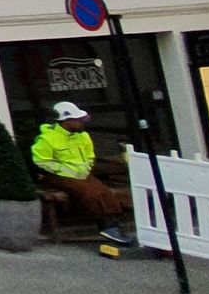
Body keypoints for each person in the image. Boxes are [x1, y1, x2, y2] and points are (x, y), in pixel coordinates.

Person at [32, 101, 133, 245]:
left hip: (82, 174)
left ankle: (113, 224)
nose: (81, 123)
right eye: (77, 120)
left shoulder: (83, 136)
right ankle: (104, 225)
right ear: (66, 121)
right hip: (57, 176)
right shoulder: (47, 138)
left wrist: (85, 169)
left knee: (104, 191)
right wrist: (66, 171)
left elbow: (90, 156)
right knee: (88, 193)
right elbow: (41, 161)